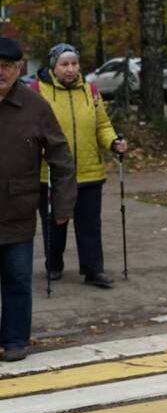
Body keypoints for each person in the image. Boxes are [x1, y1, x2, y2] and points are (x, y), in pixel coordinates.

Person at [0, 36, 77, 362]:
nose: (0, 72)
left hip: (17, 212)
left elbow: (61, 158)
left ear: (19, 68)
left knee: (17, 278)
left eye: (6, 67)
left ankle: (16, 339)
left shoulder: (36, 107)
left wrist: (62, 205)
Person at [32, 44, 127, 289]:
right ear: (54, 66)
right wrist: (36, 147)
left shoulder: (91, 90)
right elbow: (29, 128)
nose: (70, 69)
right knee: (55, 222)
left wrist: (113, 142)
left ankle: (93, 270)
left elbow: (102, 126)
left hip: (89, 171)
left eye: (74, 63)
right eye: (64, 64)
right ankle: (53, 265)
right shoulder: (37, 91)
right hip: (52, 172)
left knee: (89, 225)